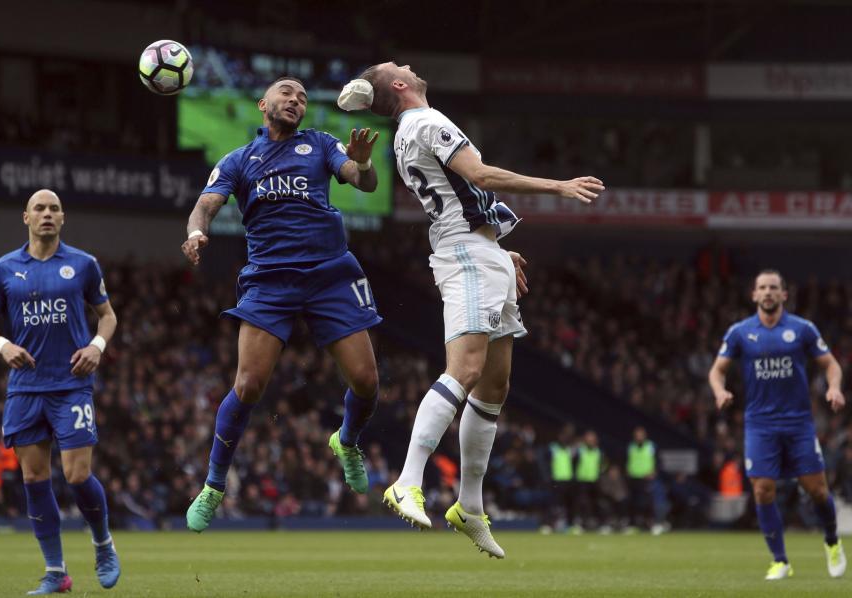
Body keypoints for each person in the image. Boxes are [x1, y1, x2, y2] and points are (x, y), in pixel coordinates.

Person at [345, 62, 604, 557]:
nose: (409, 66)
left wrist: (498, 251)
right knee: (463, 370)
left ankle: (468, 506)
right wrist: (559, 187)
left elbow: (459, 196)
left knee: (494, 385)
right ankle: (407, 479)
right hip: (465, 255)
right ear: (399, 86)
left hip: (481, 251)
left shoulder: (407, 131)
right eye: (399, 67)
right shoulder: (425, 122)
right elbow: (480, 175)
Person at [181, 76, 383, 531]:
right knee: (249, 385)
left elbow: (361, 180)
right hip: (271, 279)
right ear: (262, 104)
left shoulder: (321, 143)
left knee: (368, 382)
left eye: (303, 97)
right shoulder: (238, 160)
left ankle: (346, 441)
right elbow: (205, 205)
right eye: (287, 92)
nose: (296, 100)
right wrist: (196, 232)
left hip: (330, 274)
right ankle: (213, 485)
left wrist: (365, 164)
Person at [0, 189, 120, 594]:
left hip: (71, 385)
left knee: (77, 475)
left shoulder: (84, 264)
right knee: (34, 478)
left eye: (54, 208)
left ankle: (103, 543)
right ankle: (56, 573)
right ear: (25, 217)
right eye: (39, 208)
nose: (46, 214)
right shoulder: (2, 269)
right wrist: (4, 346)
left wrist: (97, 346)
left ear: (63, 217)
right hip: (25, 389)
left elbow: (108, 316)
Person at [709, 269, 847, 580]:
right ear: (754, 295)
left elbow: (831, 365)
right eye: (763, 288)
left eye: (774, 287)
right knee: (762, 490)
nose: (768, 292)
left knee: (816, 490)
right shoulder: (740, 332)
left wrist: (834, 387)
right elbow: (716, 371)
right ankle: (780, 560)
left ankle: (832, 541)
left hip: (798, 423)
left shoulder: (803, 329)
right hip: (760, 424)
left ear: (784, 294)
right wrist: (720, 391)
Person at [625, 426, 658, 534]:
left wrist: (653, 471)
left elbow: (656, 459)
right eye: (637, 435)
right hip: (634, 477)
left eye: (641, 434)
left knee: (648, 502)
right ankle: (632, 524)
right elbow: (628, 459)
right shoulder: (631, 446)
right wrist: (628, 470)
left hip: (646, 477)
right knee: (633, 501)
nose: (639, 437)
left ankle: (650, 524)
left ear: (645, 436)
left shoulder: (650, 446)